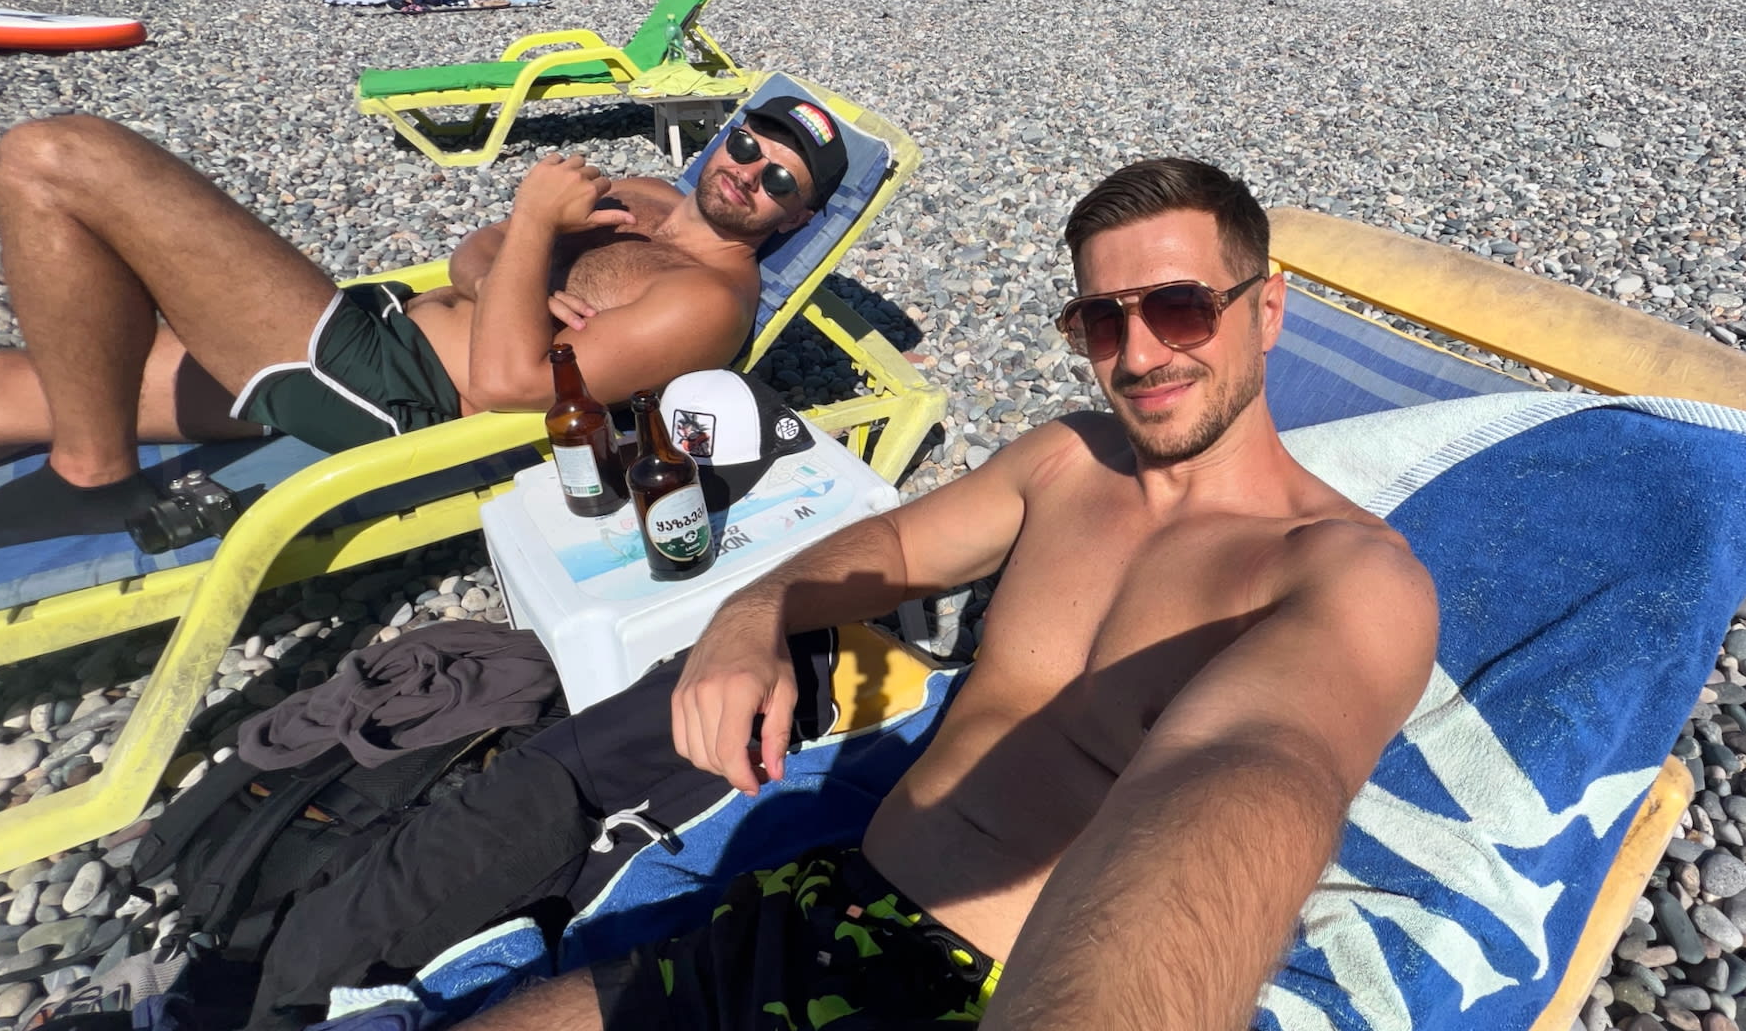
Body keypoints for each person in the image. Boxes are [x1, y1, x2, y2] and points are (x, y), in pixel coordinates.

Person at [456, 159, 1439, 1030]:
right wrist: (748, 615)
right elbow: (890, 543)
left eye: (1180, 308)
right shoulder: (1066, 461)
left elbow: (1254, 778)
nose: (1137, 357)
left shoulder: (1343, 575)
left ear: (1264, 310)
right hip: (819, 904)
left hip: (989, 988)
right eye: (1102, 320)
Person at [0, 95, 852, 550]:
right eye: (748, 145)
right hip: (379, 319)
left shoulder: (707, 304)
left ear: (794, 221)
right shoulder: (649, 197)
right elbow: (482, 246)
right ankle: (89, 456)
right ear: (725, 137)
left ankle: (95, 478)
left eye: (781, 181)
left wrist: (538, 227)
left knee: (54, 157)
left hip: (381, 389)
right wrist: (512, 265)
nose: (748, 173)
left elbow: (509, 385)